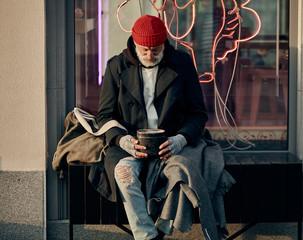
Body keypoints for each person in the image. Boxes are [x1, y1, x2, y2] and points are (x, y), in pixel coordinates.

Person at [90, 15, 233, 240]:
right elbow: (105, 116)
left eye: (155, 50)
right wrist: (122, 141)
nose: (149, 55)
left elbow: (197, 113)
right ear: (134, 44)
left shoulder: (182, 63)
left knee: (180, 174)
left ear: (164, 43)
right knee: (123, 173)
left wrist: (181, 139)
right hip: (130, 144)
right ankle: (148, 236)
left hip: (173, 142)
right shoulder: (116, 66)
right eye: (144, 49)